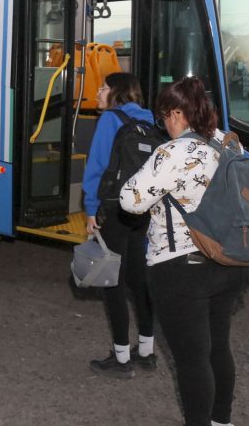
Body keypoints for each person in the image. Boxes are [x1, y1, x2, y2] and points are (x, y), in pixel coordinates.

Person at [120, 76, 248, 426]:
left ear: (177, 113)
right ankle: (222, 421)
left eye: (164, 117)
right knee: (218, 346)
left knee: (192, 359)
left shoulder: (173, 153)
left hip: (181, 268)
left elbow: (130, 200)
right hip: (229, 259)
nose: (164, 125)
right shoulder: (229, 143)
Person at [81, 73, 156, 377]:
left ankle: (122, 359)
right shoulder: (149, 120)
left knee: (111, 281)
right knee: (138, 279)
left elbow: (97, 167)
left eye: (103, 88)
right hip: (141, 210)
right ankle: (147, 351)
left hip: (114, 209)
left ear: (116, 93)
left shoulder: (110, 120)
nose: (98, 92)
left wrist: (90, 208)